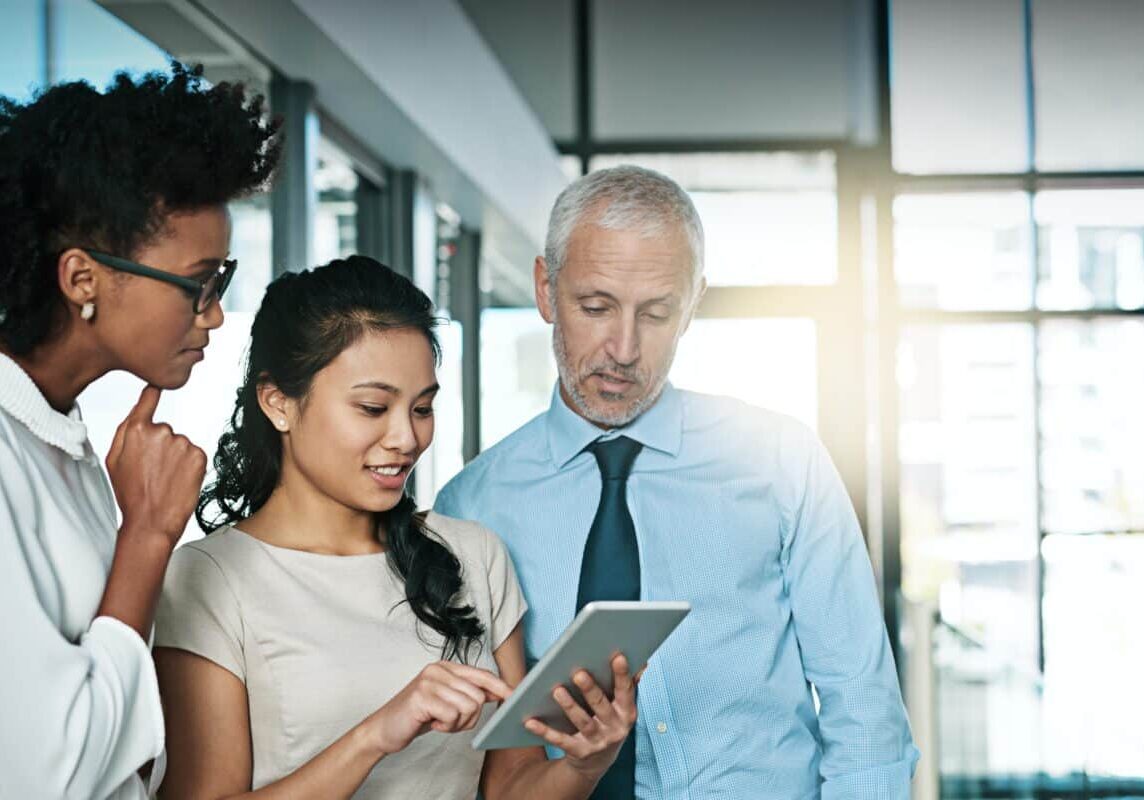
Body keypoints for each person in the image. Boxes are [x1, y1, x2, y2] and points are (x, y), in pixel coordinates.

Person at [435, 165, 920, 799]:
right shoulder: (472, 504)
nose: (624, 348)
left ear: (691, 305)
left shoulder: (781, 462)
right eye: (596, 306)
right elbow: (472, 749)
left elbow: (864, 710)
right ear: (546, 290)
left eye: (656, 312)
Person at [152, 255, 639, 800]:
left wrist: (585, 764)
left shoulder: (474, 557)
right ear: (278, 402)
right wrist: (376, 735)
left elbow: (511, 787)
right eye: (373, 407)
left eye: (422, 408)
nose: (406, 438)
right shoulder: (208, 579)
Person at [0, 64, 280, 799]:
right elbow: (50, 776)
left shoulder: (63, 438)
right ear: (82, 279)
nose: (214, 313)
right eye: (200, 282)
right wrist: (148, 536)